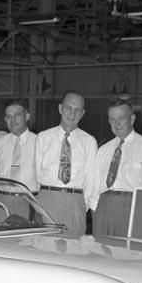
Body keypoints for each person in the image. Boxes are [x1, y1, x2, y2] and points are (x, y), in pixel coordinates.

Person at [92, 99, 142, 237]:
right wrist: (96, 217)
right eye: (112, 119)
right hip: (104, 210)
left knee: (131, 256)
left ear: (132, 119)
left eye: (121, 118)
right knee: (103, 254)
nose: (117, 123)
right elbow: (95, 189)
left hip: (135, 210)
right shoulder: (103, 150)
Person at [34, 90, 97, 236]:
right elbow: (37, 173)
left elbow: (91, 180)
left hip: (75, 203)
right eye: (68, 108)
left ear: (82, 114)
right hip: (46, 201)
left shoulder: (89, 142)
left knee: (73, 252)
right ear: (60, 108)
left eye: (77, 110)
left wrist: (81, 205)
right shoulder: (43, 138)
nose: (72, 114)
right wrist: (44, 200)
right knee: (44, 251)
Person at [0, 99, 38, 218]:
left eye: (17, 115)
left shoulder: (39, 143)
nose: (12, 120)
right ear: (5, 119)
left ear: (27, 116)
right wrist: (4, 195)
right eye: (9, 116)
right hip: (1, 203)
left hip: (29, 202)